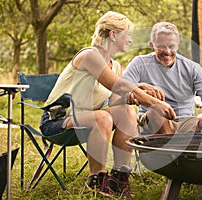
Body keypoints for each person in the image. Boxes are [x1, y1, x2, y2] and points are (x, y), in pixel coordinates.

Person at [40, 12, 176, 198]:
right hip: (57, 123)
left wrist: (139, 89)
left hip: (87, 121)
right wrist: (155, 103)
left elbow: (118, 94)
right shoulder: (89, 56)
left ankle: (119, 178)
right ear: (113, 34)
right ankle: (96, 182)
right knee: (103, 117)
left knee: (127, 111)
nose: (130, 39)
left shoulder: (115, 66)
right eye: (127, 34)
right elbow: (117, 85)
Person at [122, 22, 202, 135]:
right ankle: (173, 151)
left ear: (177, 45)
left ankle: (199, 149)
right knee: (155, 112)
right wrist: (138, 89)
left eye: (171, 46)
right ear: (152, 45)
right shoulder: (140, 63)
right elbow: (120, 89)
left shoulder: (192, 68)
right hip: (153, 121)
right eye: (161, 46)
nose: (167, 52)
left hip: (186, 122)